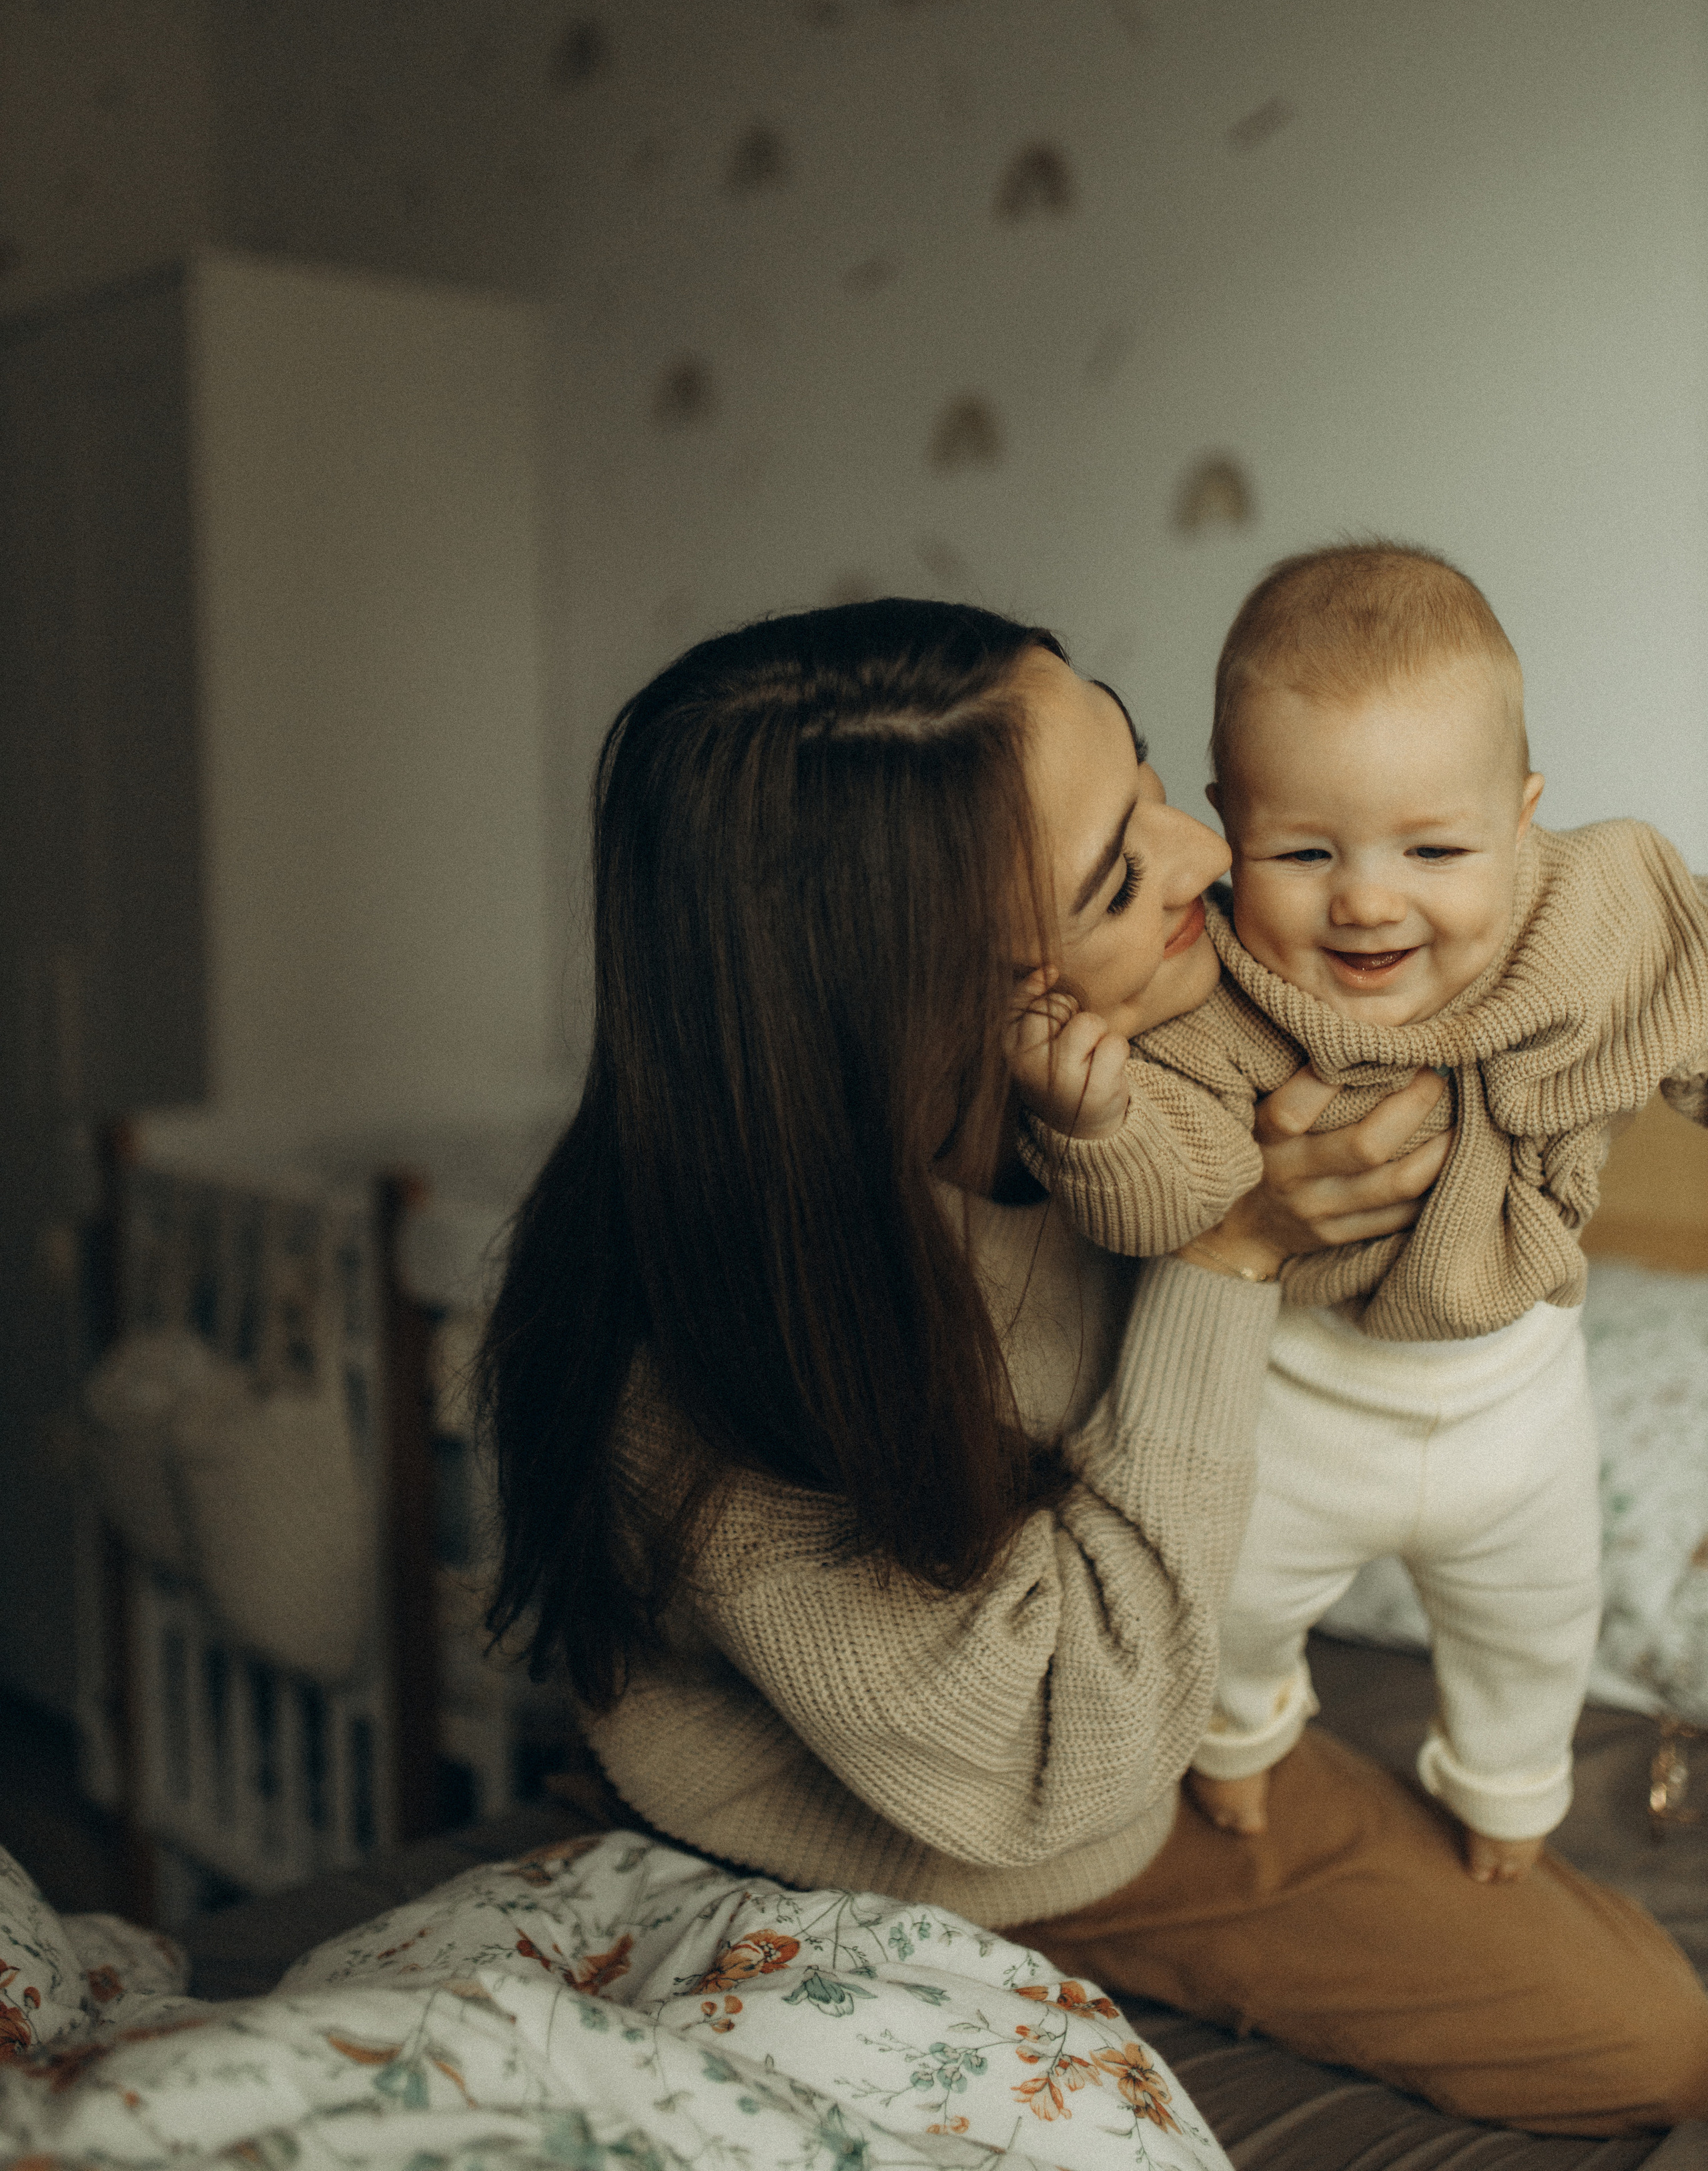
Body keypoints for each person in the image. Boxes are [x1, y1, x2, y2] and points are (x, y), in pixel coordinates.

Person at [478, 596, 1708, 2137]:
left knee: (1652, 2039)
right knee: (1630, 2038)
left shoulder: (1169, 1051)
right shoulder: (720, 1406)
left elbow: (1595, 979)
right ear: (923, 1006)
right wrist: (1228, 1257)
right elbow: (1055, 1780)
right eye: (1123, 874)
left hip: (1131, 1686)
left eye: (1144, 781)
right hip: (1011, 1790)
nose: (1213, 856)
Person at [1016, 543, 1708, 1889]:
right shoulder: (1208, 993)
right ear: (1228, 820)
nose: (1367, 899)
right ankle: (1237, 1742)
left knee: (1533, 1622)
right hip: (1301, 1387)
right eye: (1303, 849)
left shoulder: (1595, 916)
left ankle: (1506, 1796)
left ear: (1522, 819)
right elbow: (1158, 1204)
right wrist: (1090, 1122)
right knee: (1230, 1607)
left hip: (1513, 1399)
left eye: (1433, 848)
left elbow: (1687, 991)